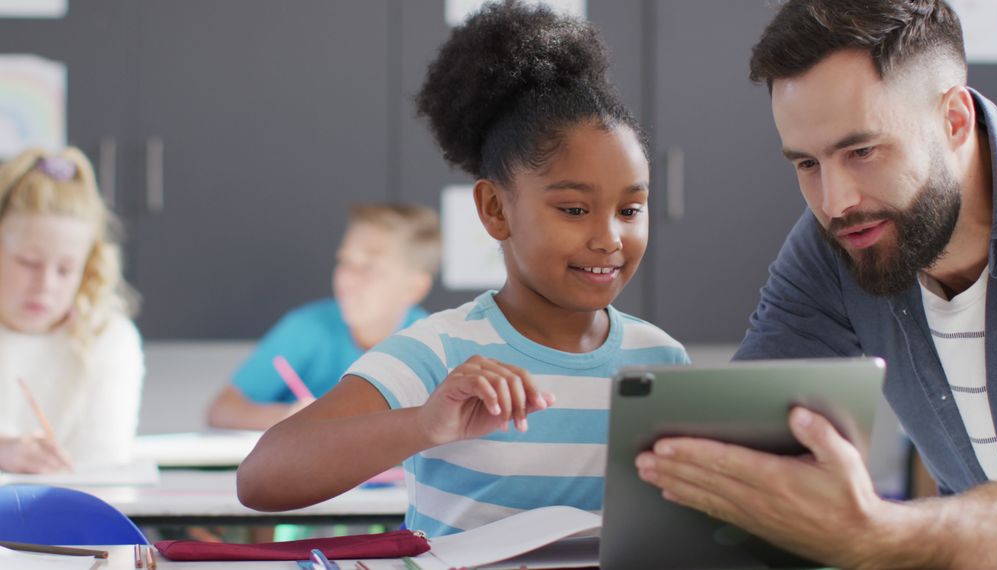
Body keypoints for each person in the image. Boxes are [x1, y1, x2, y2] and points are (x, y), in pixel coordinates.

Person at [636, 1, 997, 567]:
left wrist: (882, 534)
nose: (835, 202)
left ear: (955, 121)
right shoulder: (841, 239)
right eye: (806, 164)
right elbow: (745, 445)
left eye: (862, 151)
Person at [237, 0, 689, 537]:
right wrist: (425, 423)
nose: (609, 237)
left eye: (630, 210)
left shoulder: (659, 361)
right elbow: (262, 477)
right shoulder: (440, 351)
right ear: (496, 210)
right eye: (573, 209)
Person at [205, 203, 439, 430]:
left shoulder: (430, 347)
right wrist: (286, 416)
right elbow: (222, 409)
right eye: (345, 261)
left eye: (369, 267)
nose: (347, 279)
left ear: (415, 288)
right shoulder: (306, 328)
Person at [0, 147, 143, 473]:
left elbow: (104, 466)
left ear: (88, 270)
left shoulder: (110, 338)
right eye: (28, 263)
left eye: (65, 269)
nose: (44, 284)